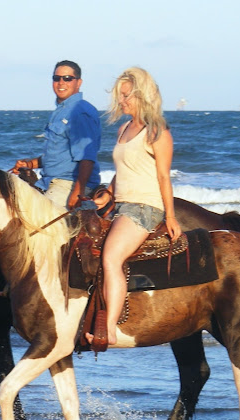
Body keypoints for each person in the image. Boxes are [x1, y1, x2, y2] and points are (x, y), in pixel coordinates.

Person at [86, 67, 182, 346]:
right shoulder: (124, 128)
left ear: (142, 96)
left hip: (145, 207)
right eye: (120, 96)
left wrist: (171, 216)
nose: (122, 101)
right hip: (123, 205)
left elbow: (164, 176)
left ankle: (111, 329)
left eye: (127, 96)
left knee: (111, 258)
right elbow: (123, 169)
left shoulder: (157, 132)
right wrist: (109, 194)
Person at [12, 60, 101, 210]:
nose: (61, 82)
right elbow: (59, 154)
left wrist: (77, 192)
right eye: (56, 78)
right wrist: (30, 164)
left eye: (67, 78)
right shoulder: (61, 110)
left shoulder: (79, 111)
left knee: (37, 223)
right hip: (48, 182)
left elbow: (87, 157)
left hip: (69, 185)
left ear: (78, 82)